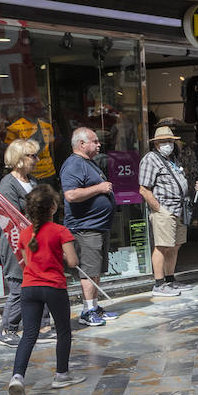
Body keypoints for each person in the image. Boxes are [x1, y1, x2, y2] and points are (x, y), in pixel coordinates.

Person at [7, 185, 81, 395]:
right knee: (63, 331)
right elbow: (73, 261)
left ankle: (17, 377)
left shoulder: (24, 233)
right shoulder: (61, 231)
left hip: (29, 288)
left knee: (29, 334)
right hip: (54, 287)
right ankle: (61, 374)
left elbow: (27, 263)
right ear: (53, 207)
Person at [0, 138, 53, 347]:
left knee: (43, 282)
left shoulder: (33, 181)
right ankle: (8, 329)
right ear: (19, 158)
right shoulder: (8, 183)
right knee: (19, 286)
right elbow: (13, 215)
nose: (37, 160)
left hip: (37, 239)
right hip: (17, 243)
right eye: (32, 156)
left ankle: (43, 326)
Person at [60, 128, 119, 327]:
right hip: (85, 228)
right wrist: (99, 188)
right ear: (81, 144)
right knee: (88, 271)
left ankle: (94, 306)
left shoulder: (88, 163)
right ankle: (87, 311)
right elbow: (71, 195)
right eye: (94, 141)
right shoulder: (74, 164)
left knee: (96, 271)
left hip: (98, 226)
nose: (99, 144)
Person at [138, 125, 194, 298]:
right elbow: (144, 189)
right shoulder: (151, 159)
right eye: (164, 142)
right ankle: (159, 283)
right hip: (165, 210)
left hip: (178, 209)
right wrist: (159, 209)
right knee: (162, 246)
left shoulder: (172, 159)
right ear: (156, 144)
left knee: (175, 246)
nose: (168, 144)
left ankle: (170, 279)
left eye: (170, 141)